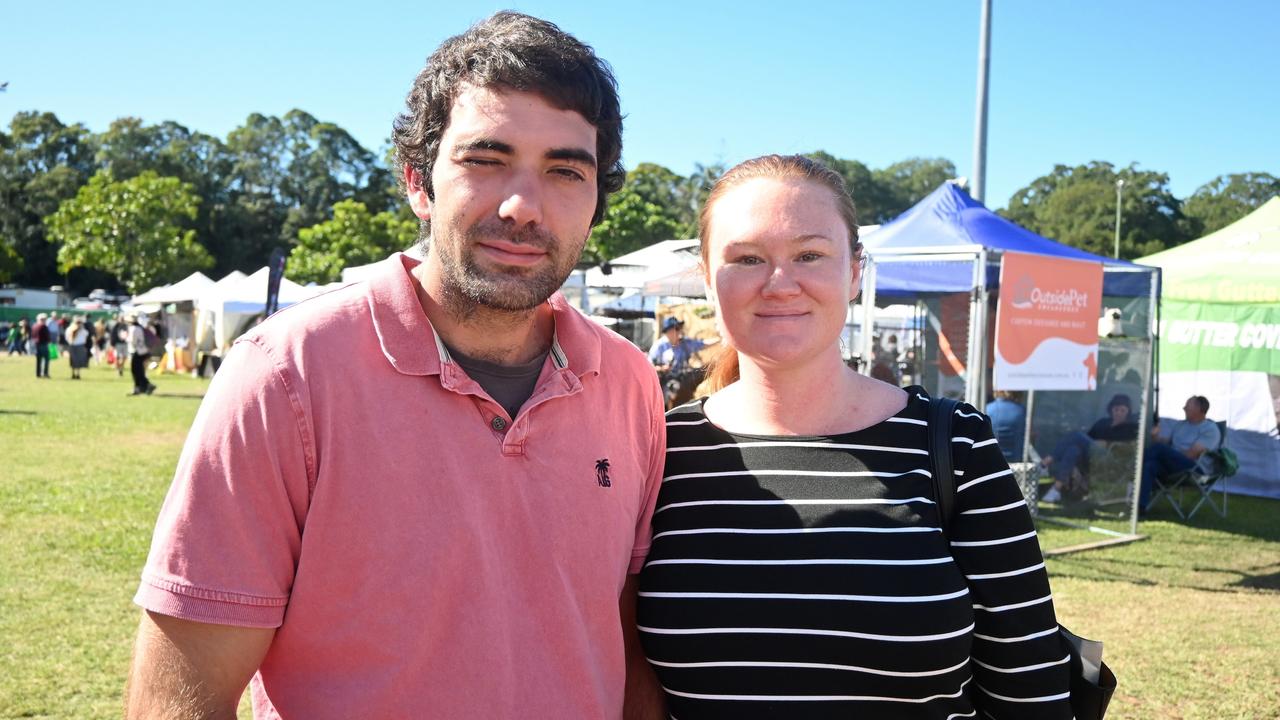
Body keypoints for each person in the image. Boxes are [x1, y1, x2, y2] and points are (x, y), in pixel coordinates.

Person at [125, 12, 666, 719]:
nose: (522, 207)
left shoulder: (628, 384)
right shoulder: (285, 377)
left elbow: (623, 641)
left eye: (566, 171)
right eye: (486, 159)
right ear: (418, 181)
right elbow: (180, 700)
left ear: (596, 203)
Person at [636, 155, 1072, 718]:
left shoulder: (952, 445)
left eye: (809, 255)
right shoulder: (658, 450)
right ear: (707, 277)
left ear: (855, 271)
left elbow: (1030, 683)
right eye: (747, 258)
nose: (779, 283)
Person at [1040, 393, 1139, 503]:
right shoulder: (1102, 422)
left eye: (1122, 410)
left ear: (1128, 411)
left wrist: (1108, 443)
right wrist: (1096, 443)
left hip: (1109, 459)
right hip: (1091, 457)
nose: (1118, 413)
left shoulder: (1130, 427)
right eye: (1116, 409)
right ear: (1111, 409)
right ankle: (1056, 489)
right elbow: (1087, 440)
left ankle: (1045, 464)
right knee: (1073, 449)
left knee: (1076, 435)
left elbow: (1128, 447)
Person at [1140, 395, 1220, 511]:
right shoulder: (1180, 425)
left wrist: (1167, 452)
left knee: (1159, 449)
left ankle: (1131, 467)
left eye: (1187, 407)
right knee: (1149, 465)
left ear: (1199, 409)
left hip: (1195, 470)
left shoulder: (1210, 429)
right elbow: (1166, 444)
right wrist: (1155, 436)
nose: (1184, 409)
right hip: (1173, 465)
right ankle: (1140, 507)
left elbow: (1191, 455)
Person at [648, 316, 714, 408]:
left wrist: (720, 340)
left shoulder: (685, 342)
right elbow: (649, 368)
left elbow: (702, 344)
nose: (680, 331)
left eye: (679, 328)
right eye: (677, 328)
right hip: (666, 379)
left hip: (684, 375)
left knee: (704, 371)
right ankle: (667, 411)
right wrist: (662, 368)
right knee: (672, 390)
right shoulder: (658, 347)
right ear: (669, 332)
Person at [986, 389, 1027, 462]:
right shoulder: (1021, 410)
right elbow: (1029, 434)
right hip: (1015, 461)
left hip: (991, 460)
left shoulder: (986, 409)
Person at [126, 314, 155, 395]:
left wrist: (126, 338)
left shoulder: (133, 329)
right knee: (139, 371)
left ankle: (143, 386)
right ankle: (142, 387)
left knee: (136, 371)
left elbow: (133, 341)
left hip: (137, 351)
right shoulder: (140, 328)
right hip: (143, 351)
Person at [31, 313, 51, 378]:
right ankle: (45, 373)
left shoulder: (34, 326)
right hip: (43, 344)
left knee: (38, 360)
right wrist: (49, 341)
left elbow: (32, 335)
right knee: (46, 359)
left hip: (36, 345)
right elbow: (47, 336)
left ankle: (38, 374)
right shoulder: (43, 326)